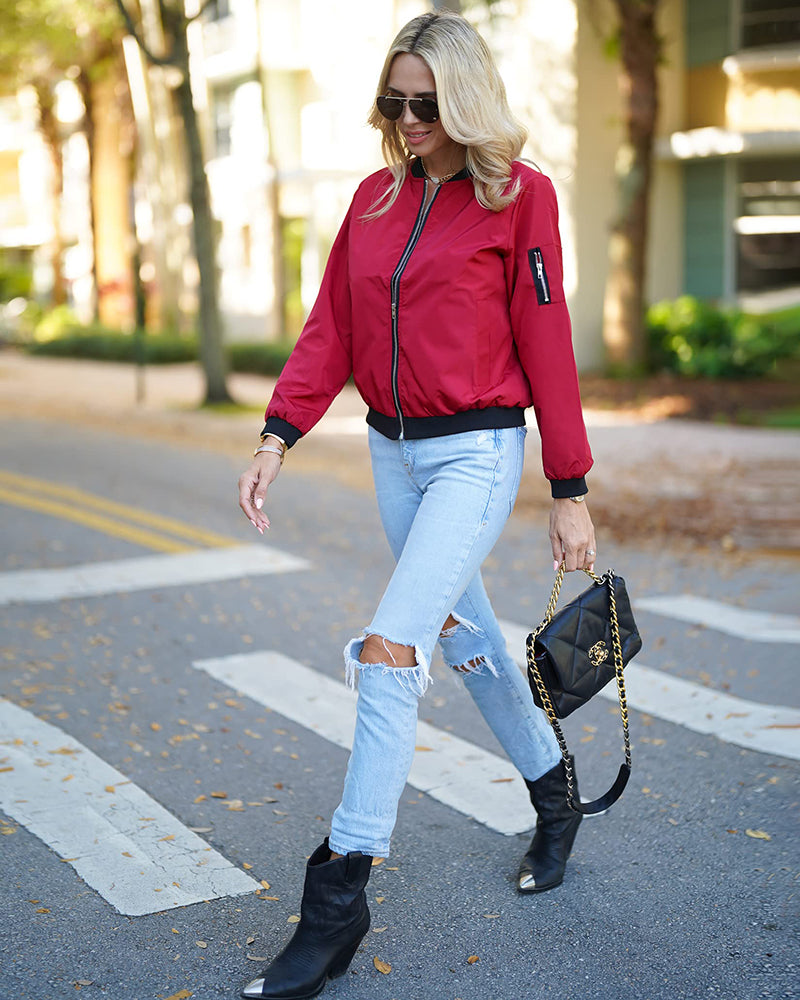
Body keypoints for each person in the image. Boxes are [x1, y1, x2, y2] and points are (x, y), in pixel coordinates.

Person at [236, 11, 596, 999]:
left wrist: (567, 488)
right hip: (390, 455)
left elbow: (547, 340)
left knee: (392, 648)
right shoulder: (370, 201)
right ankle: (551, 788)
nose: (405, 120)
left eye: (425, 104)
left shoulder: (518, 199)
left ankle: (337, 895)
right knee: (464, 634)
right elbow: (330, 332)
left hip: (475, 454)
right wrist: (278, 435)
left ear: (464, 99)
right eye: (393, 103)